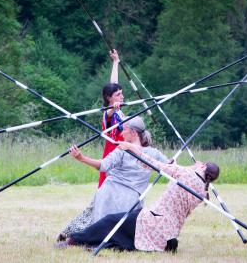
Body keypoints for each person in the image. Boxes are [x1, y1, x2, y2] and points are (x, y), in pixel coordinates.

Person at [57, 141, 220, 252]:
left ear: (203, 166)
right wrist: (194, 167)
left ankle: (73, 241)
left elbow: (153, 164)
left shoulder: (186, 174)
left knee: (112, 221)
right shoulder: (202, 193)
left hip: (153, 222)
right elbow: (187, 174)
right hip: (169, 231)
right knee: (125, 225)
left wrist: (130, 148)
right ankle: (95, 243)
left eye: (201, 164)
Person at [57, 117, 168, 238]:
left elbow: (103, 165)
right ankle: (80, 236)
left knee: (92, 220)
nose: (121, 133)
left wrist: (81, 158)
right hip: (131, 200)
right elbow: (171, 166)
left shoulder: (123, 150)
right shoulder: (153, 153)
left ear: (133, 133)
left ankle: (78, 236)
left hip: (110, 195)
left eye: (124, 129)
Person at [99, 49, 124, 187]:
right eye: (118, 95)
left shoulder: (119, 110)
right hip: (112, 152)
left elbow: (113, 84)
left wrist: (116, 62)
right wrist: (113, 107)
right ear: (109, 98)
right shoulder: (108, 113)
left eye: (121, 94)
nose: (122, 97)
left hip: (124, 149)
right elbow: (109, 113)